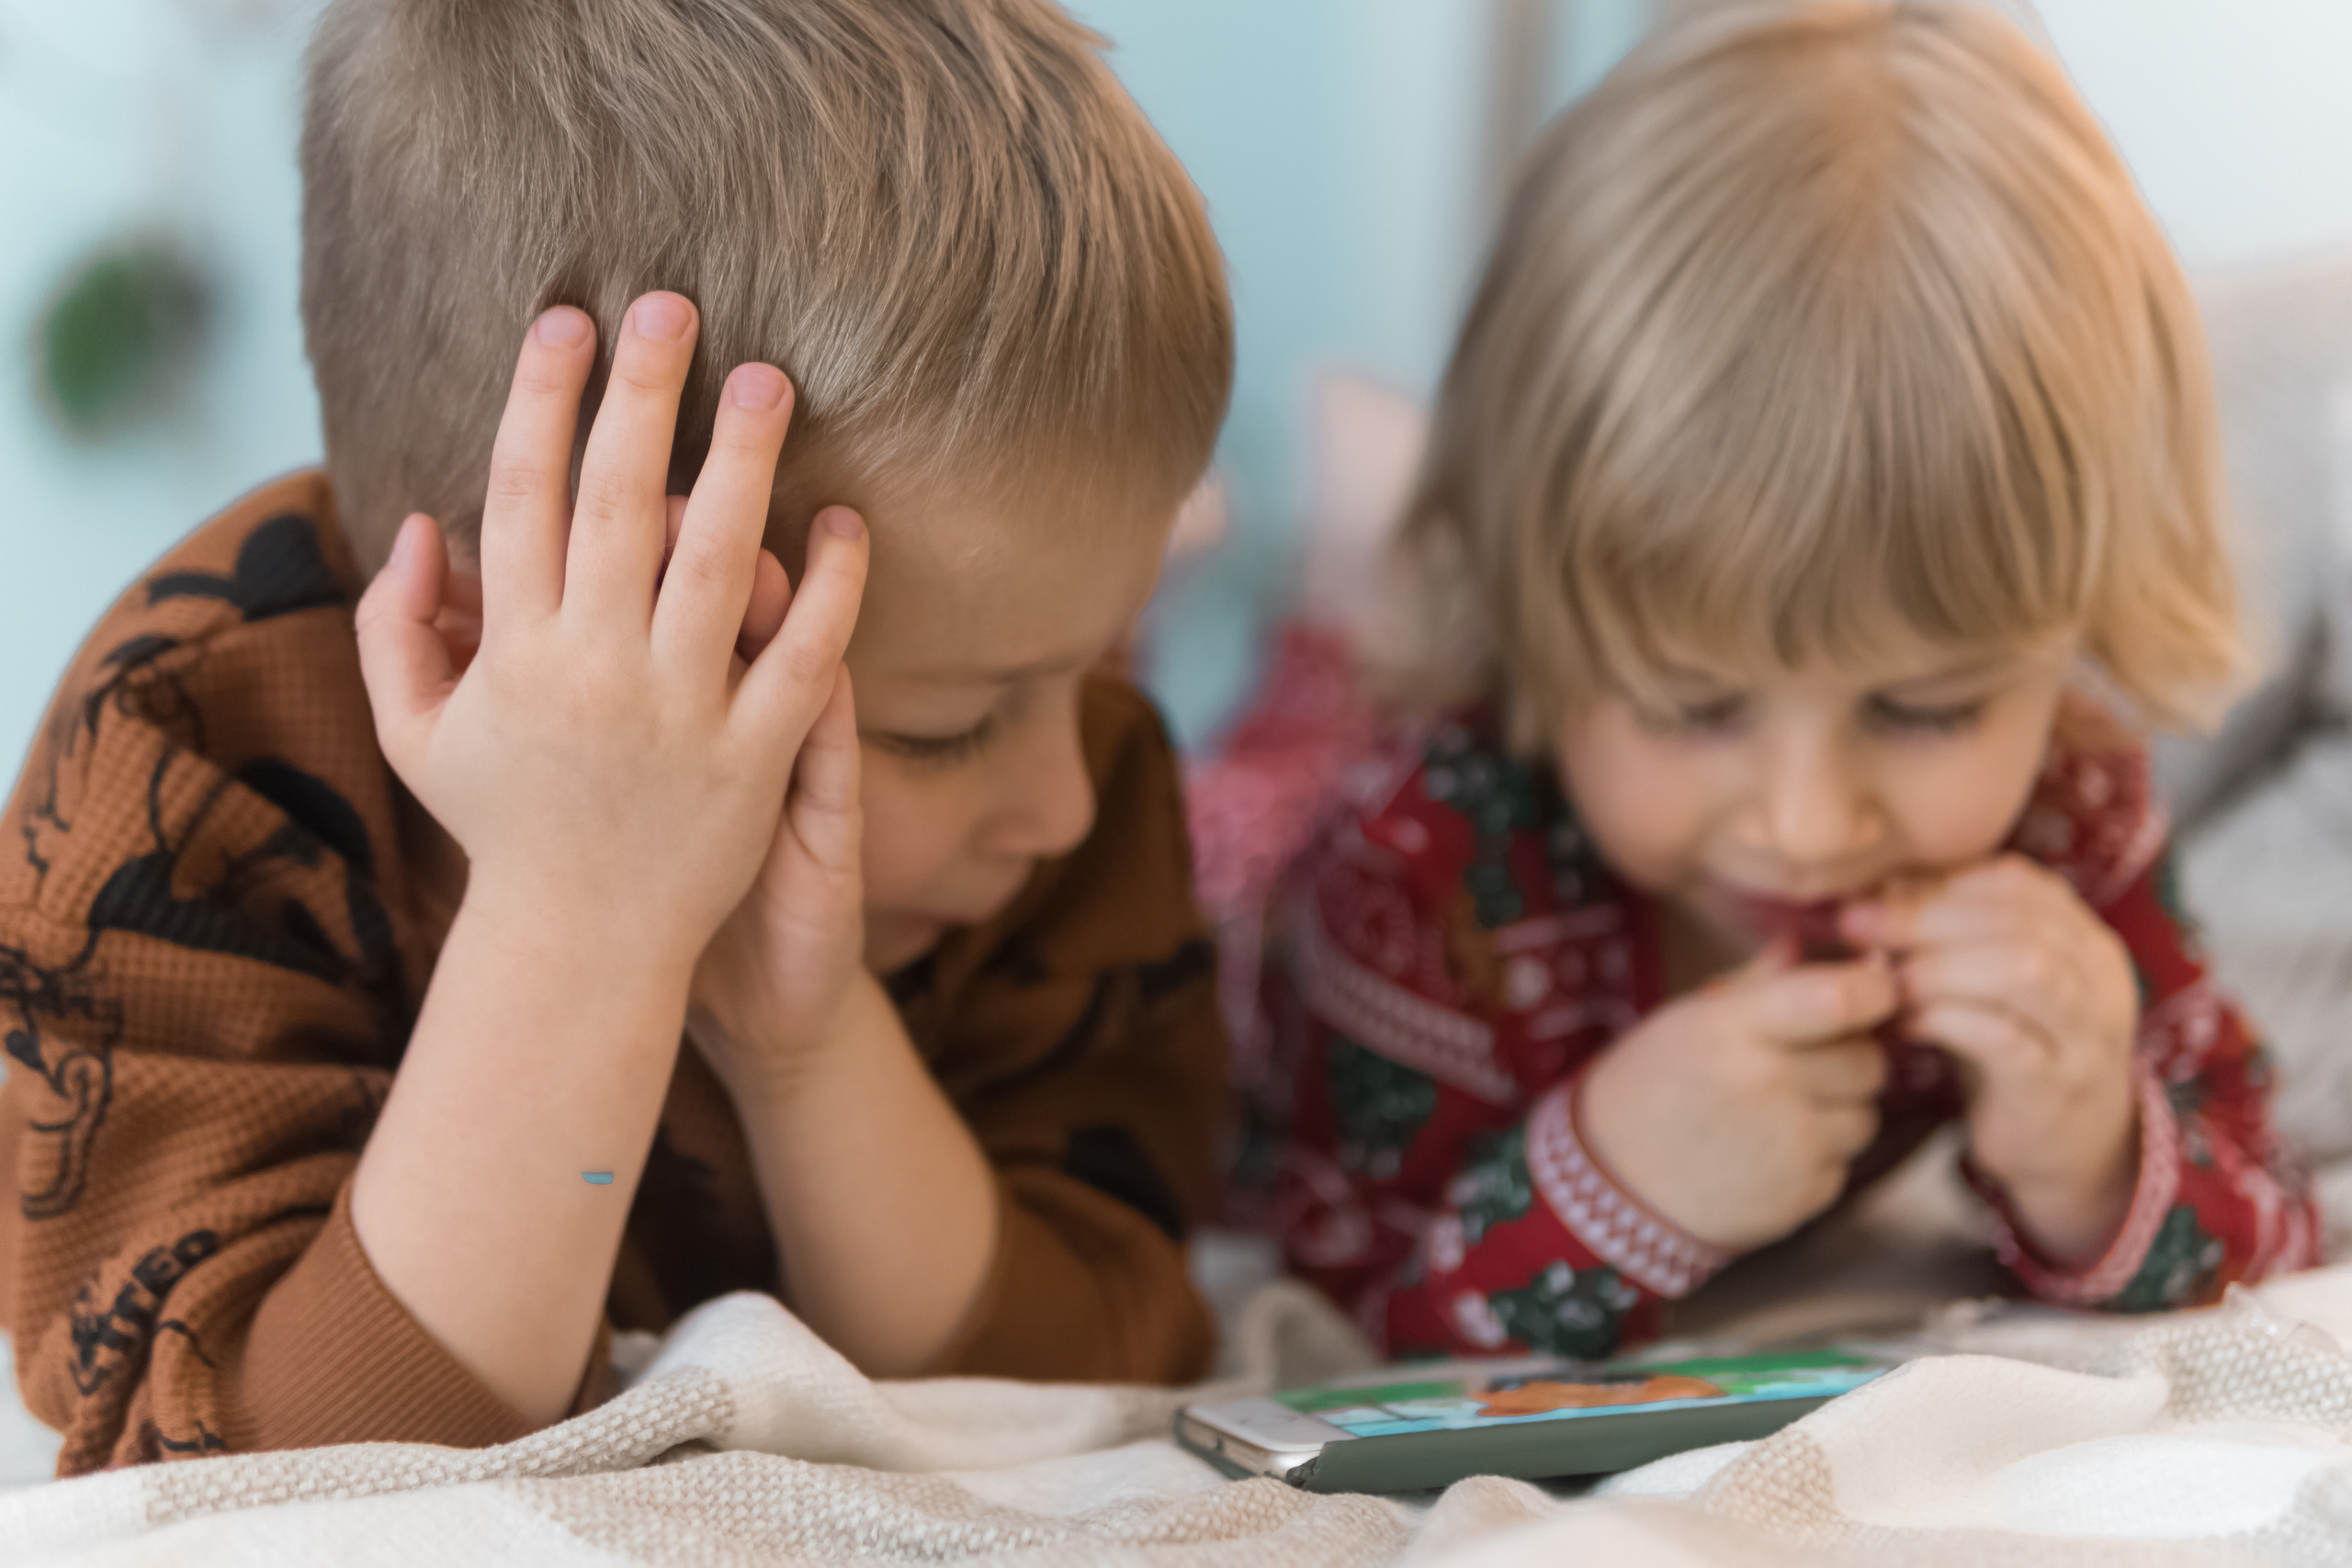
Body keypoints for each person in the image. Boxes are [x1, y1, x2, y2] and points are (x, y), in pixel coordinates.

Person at [0, 0, 1231, 1475]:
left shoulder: (1068, 804)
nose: (1066, 803)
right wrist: (582, 916)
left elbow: (1083, 1388)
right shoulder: (191, 757)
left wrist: (809, 1052)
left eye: (1095, 667)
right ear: (502, 639)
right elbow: (259, 1474)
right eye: (948, 730)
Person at [1209, 0, 2317, 1359]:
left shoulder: (2065, 815)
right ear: (1542, 621)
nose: (1806, 823)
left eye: (1927, 707)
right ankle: (1347, 580)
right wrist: (1613, 1180)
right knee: (1254, 784)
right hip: (1251, 886)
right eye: (1694, 704)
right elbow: (1335, 1322)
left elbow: (2275, 1223)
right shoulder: (1422, 864)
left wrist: (2095, 1155)